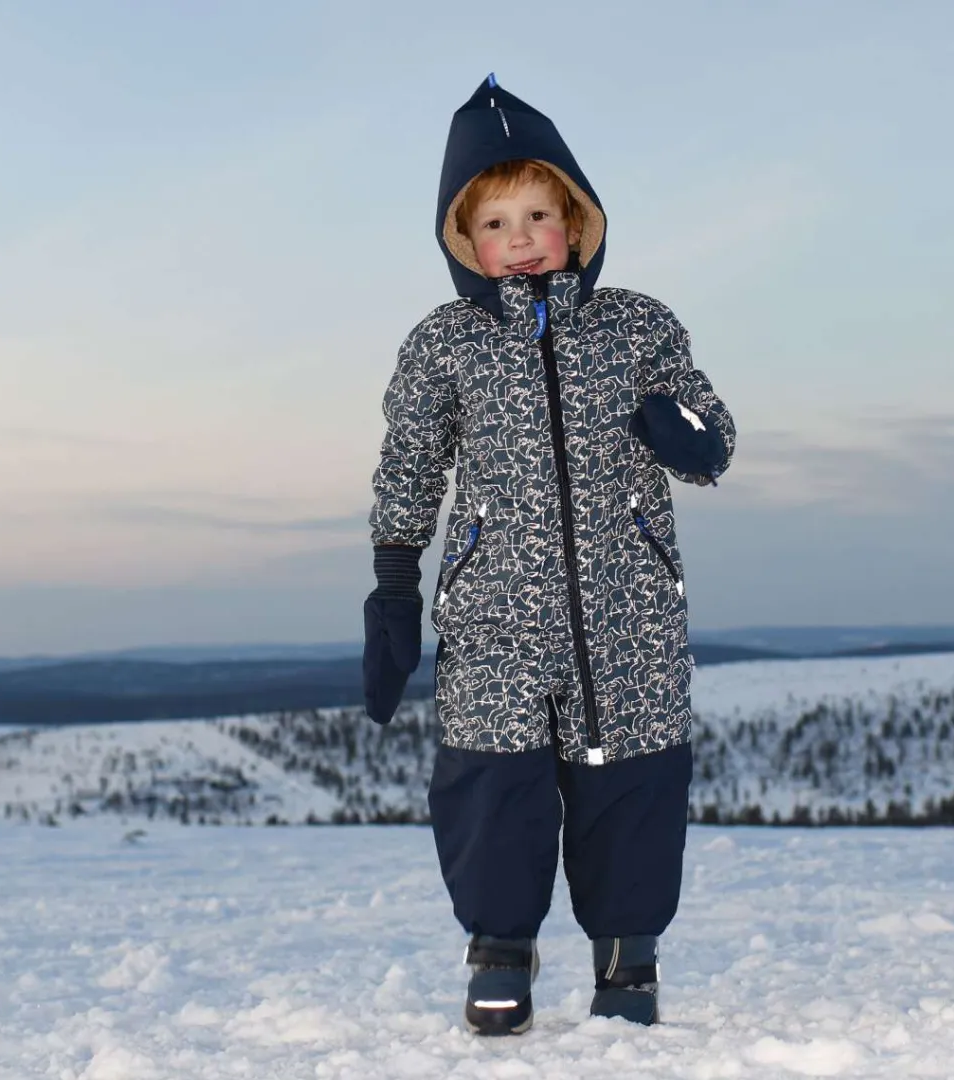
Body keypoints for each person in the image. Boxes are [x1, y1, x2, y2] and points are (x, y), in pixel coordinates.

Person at [364, 74, 735, 1035]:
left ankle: (628, 953)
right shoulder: (444, 344)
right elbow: (410, 465)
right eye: (495, 221)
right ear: (463, 242)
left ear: (576, 219)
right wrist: (394, 590)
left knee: (634, 786)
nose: (521, 236)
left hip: (629, 614)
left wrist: (685, 431)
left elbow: (710, 424)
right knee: (493, 788)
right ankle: (498, 946)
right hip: (494, 617)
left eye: (539, 212)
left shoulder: (637, 325)